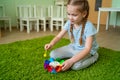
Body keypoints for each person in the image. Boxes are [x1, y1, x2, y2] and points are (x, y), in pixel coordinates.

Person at [44, 0, 99, 71]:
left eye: (74, 15)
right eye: (68, 14)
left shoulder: (89, 27)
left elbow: (87, 49)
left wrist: (71, 61)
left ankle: (94, 56)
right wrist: (51, 44)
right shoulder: (69, 23)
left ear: (84, 13)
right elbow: (58, 36)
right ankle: (74, 56)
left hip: (87, 51)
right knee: (53, 54)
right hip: (73, 47)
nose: (70, 17)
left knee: (75, 66)